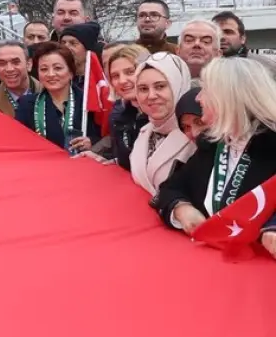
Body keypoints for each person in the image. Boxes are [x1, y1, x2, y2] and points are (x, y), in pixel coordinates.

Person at [155, 57, 276, 259]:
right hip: (211, 262)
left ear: (228, 97)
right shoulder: (211, 144)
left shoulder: (271, 145)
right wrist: (180, 208)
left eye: (206, 90)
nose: (198, 98)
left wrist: (272, 227)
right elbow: (170, 188)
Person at [14, 42, 99, 155]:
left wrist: (92, 142)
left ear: (71, 72)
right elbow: (19, 142)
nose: (51, 74)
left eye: (57, 68)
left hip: (82, 163)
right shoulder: (27, 104)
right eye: (44, 69)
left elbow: (105, 136)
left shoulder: (87, 102)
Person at [127, 52, 195, 195]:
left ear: (178, 86)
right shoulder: (144, 132)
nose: (151, 96)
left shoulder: (196, 135)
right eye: (143, 89)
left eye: (160, 86)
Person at [97, 43, 149, 169]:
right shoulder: (121, 116)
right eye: (115, 76)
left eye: (130, 72)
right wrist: (113, 161)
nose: (122, 81)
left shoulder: (167, 114)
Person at [0, 41, 38, 117]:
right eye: (2, 63)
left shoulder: (49, 93)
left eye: (15, 62)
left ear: (29, 64)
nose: (9, 69)